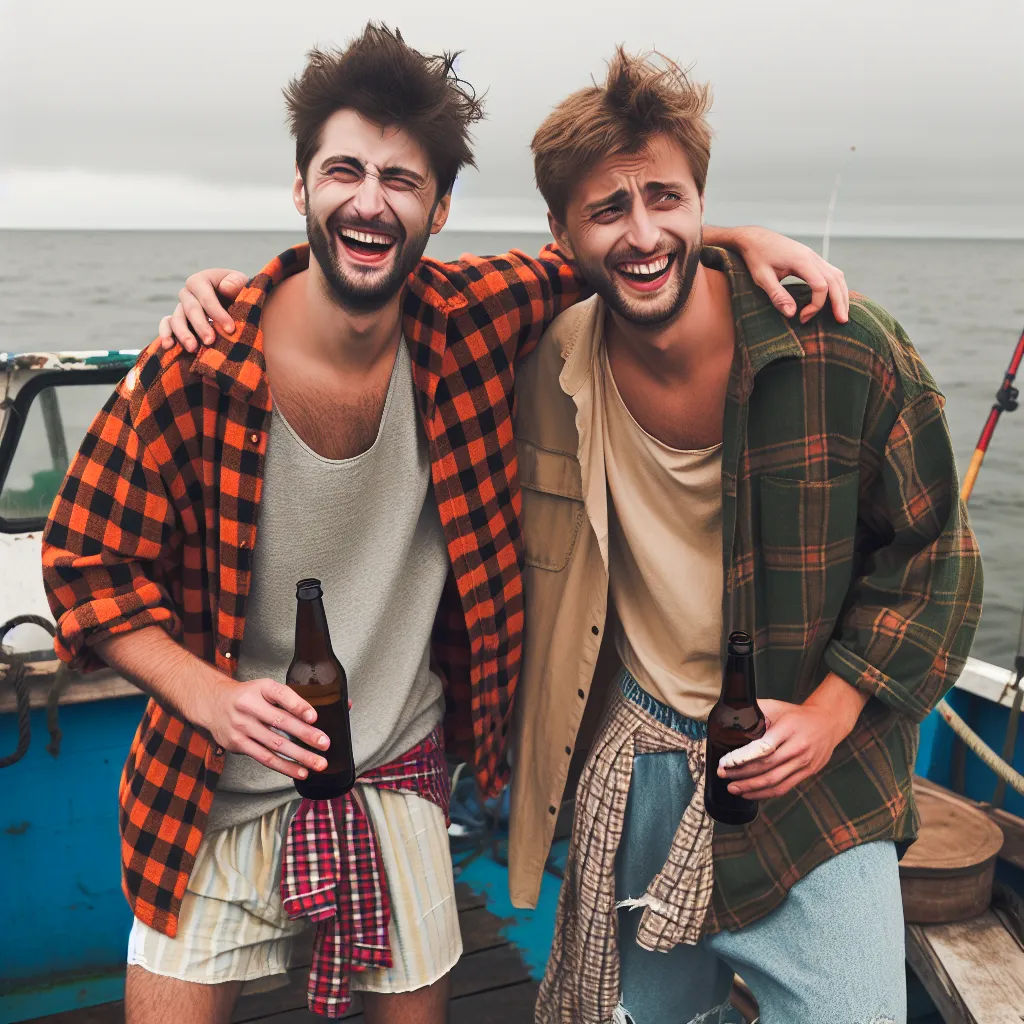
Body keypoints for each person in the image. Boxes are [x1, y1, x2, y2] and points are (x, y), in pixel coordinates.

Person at [103, 25, 848, 1024]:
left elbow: (610, 248)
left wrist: (737, 240)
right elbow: (83, 567)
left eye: (401, 180)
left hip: (399, 765)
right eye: (343, 171)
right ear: (300, 190)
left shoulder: (467, 316)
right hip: (207, 784)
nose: (370, 199)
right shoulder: (197, 366)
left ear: (438, 208)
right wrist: (208, 695)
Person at [503, 49, 980, 1024]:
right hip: (635, 757)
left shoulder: (845, 346)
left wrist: (832, 714)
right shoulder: (550, 350)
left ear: (700, 203)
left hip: (810, 774)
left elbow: (935, 561)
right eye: (607, 210)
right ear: (560, 235)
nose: (643, 233)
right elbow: (383, 290)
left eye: (666, 200)